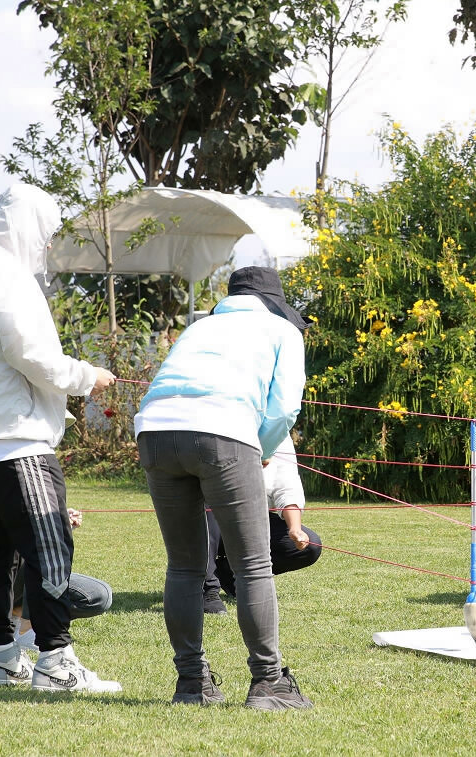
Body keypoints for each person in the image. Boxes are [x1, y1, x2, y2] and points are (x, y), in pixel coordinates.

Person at [0, 182, 119, 693]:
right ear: (28, 227)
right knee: (49, 548)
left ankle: (1, 657)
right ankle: (56, 662)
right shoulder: (6, 274)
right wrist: (87, 376)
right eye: (45, 233)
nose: (46, 244)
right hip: (17, 438)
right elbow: (31, 355)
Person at [135, 265, 312, 710]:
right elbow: (285, 407)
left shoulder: (199, 327)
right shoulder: (282, 331)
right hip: (224, 431)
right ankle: (269, 683)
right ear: (275, 304)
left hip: (154, 432)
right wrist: (263, 448)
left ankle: (191, 684)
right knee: (253, 564)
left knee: (183, 567)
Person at [0, 508, 112, 651]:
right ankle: (21, 627)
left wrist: (61, 521)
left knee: (99, 595)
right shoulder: (5, 495)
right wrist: (53, 523)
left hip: (24, 571)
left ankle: (15, 619)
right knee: (37, 562)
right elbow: (19, 537)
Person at [211, 436, 323, 602]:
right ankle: (206, 585)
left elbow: (286, 484)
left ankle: (227, 573)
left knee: (310, 547)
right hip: (211, 514)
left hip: (251, 517)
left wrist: (295, 528)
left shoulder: (279, 433)